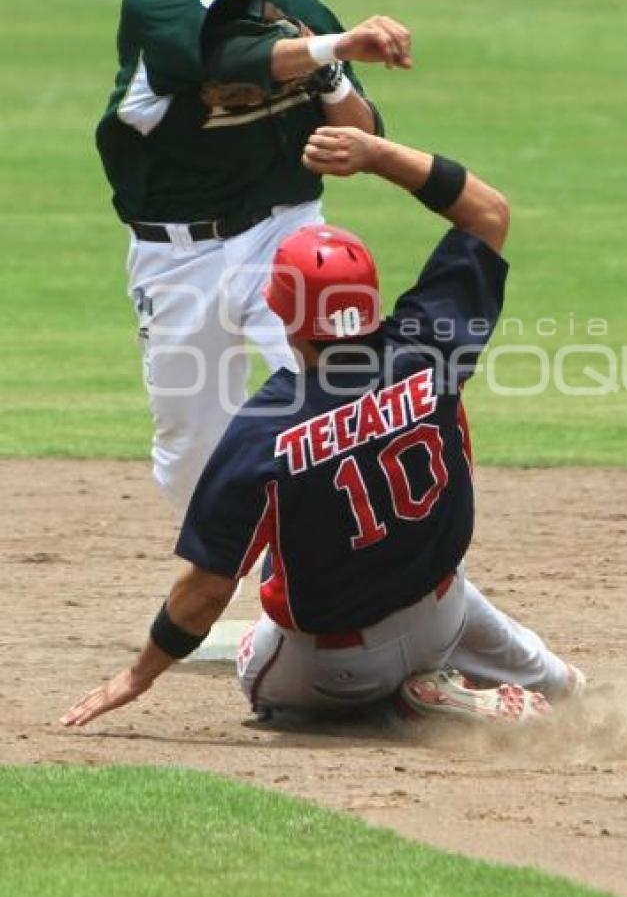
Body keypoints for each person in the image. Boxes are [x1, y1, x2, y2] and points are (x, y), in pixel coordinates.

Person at [63, 127, 585, 730]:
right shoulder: (428, 346)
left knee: (259, 670)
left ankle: (407, 706)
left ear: (282, 312)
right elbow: (488, 213)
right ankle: (531, 682)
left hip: (338, 667)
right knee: (557, 682)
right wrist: (377, 155)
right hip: (444, 614)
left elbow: (205, 591)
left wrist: (138, 675)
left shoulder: (264, 429)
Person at [95, 0, 411, 516]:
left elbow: (362, 133)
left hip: (286, 235)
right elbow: (234, 55)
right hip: (178, 253)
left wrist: (329, 70)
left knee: (345, 401)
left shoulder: (300, 7)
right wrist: (333, 46)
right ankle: (223, 577)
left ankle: (363, 573)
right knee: (192, 449)